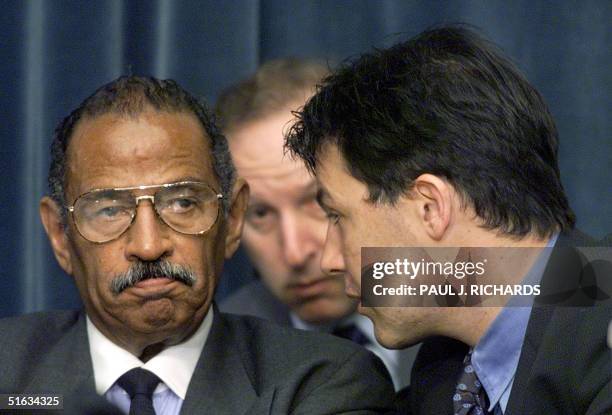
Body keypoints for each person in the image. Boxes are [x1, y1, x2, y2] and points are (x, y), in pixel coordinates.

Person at [0, 76, 395, 414]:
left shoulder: (320, 379)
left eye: (182, 202)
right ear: (59, 235)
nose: (149, 245)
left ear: (232, 219)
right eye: (108, 210)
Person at [285, 27, 611, 414]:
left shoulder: (601, 336)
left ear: (430, 208)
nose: (330, 260)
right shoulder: (445, 369)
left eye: (338, 216)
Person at [216, 58, 417, 390]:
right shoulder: (221, 353)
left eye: (318, 202)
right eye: (261, 214)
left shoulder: (469, 299)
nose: (296, 252)